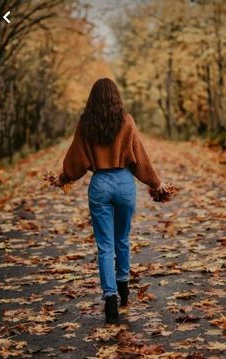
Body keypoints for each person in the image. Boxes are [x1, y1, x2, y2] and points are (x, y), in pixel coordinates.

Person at [58, 78, 169, 324]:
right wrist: (156, 183)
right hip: (124, 183)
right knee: (123, 239)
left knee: (105, 245)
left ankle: (110, 300)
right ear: (116, 97)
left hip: (99, 184)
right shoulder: (126, 120)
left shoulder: (86, 124)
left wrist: (64, 177)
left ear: (92, 98)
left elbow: (75, 159)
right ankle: (124, 290)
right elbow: (140, 157)